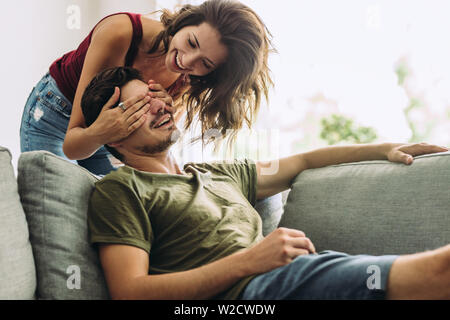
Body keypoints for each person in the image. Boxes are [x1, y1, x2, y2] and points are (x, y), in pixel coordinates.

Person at [86, 67, 450, 300]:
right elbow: (129, 291)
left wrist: (386, 148)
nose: (158, 107)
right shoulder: (121, 189)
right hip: (251, 294)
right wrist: (248, 261)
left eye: (154, 98)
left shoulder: (215, 174)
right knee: (439, 273)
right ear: (112, 135)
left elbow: (305, 161)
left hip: (294, 276)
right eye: (137, 107)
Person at [20, 0, 272, 175]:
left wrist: (168, 116)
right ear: (186, 21)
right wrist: (100, 134)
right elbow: (73, 144)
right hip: (56, 112)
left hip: (114, 134)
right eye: (191, 42)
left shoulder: (190, 79)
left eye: (204, 63)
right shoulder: (120, 33)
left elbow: (158, 147)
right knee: (57, 200)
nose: (186, 61)